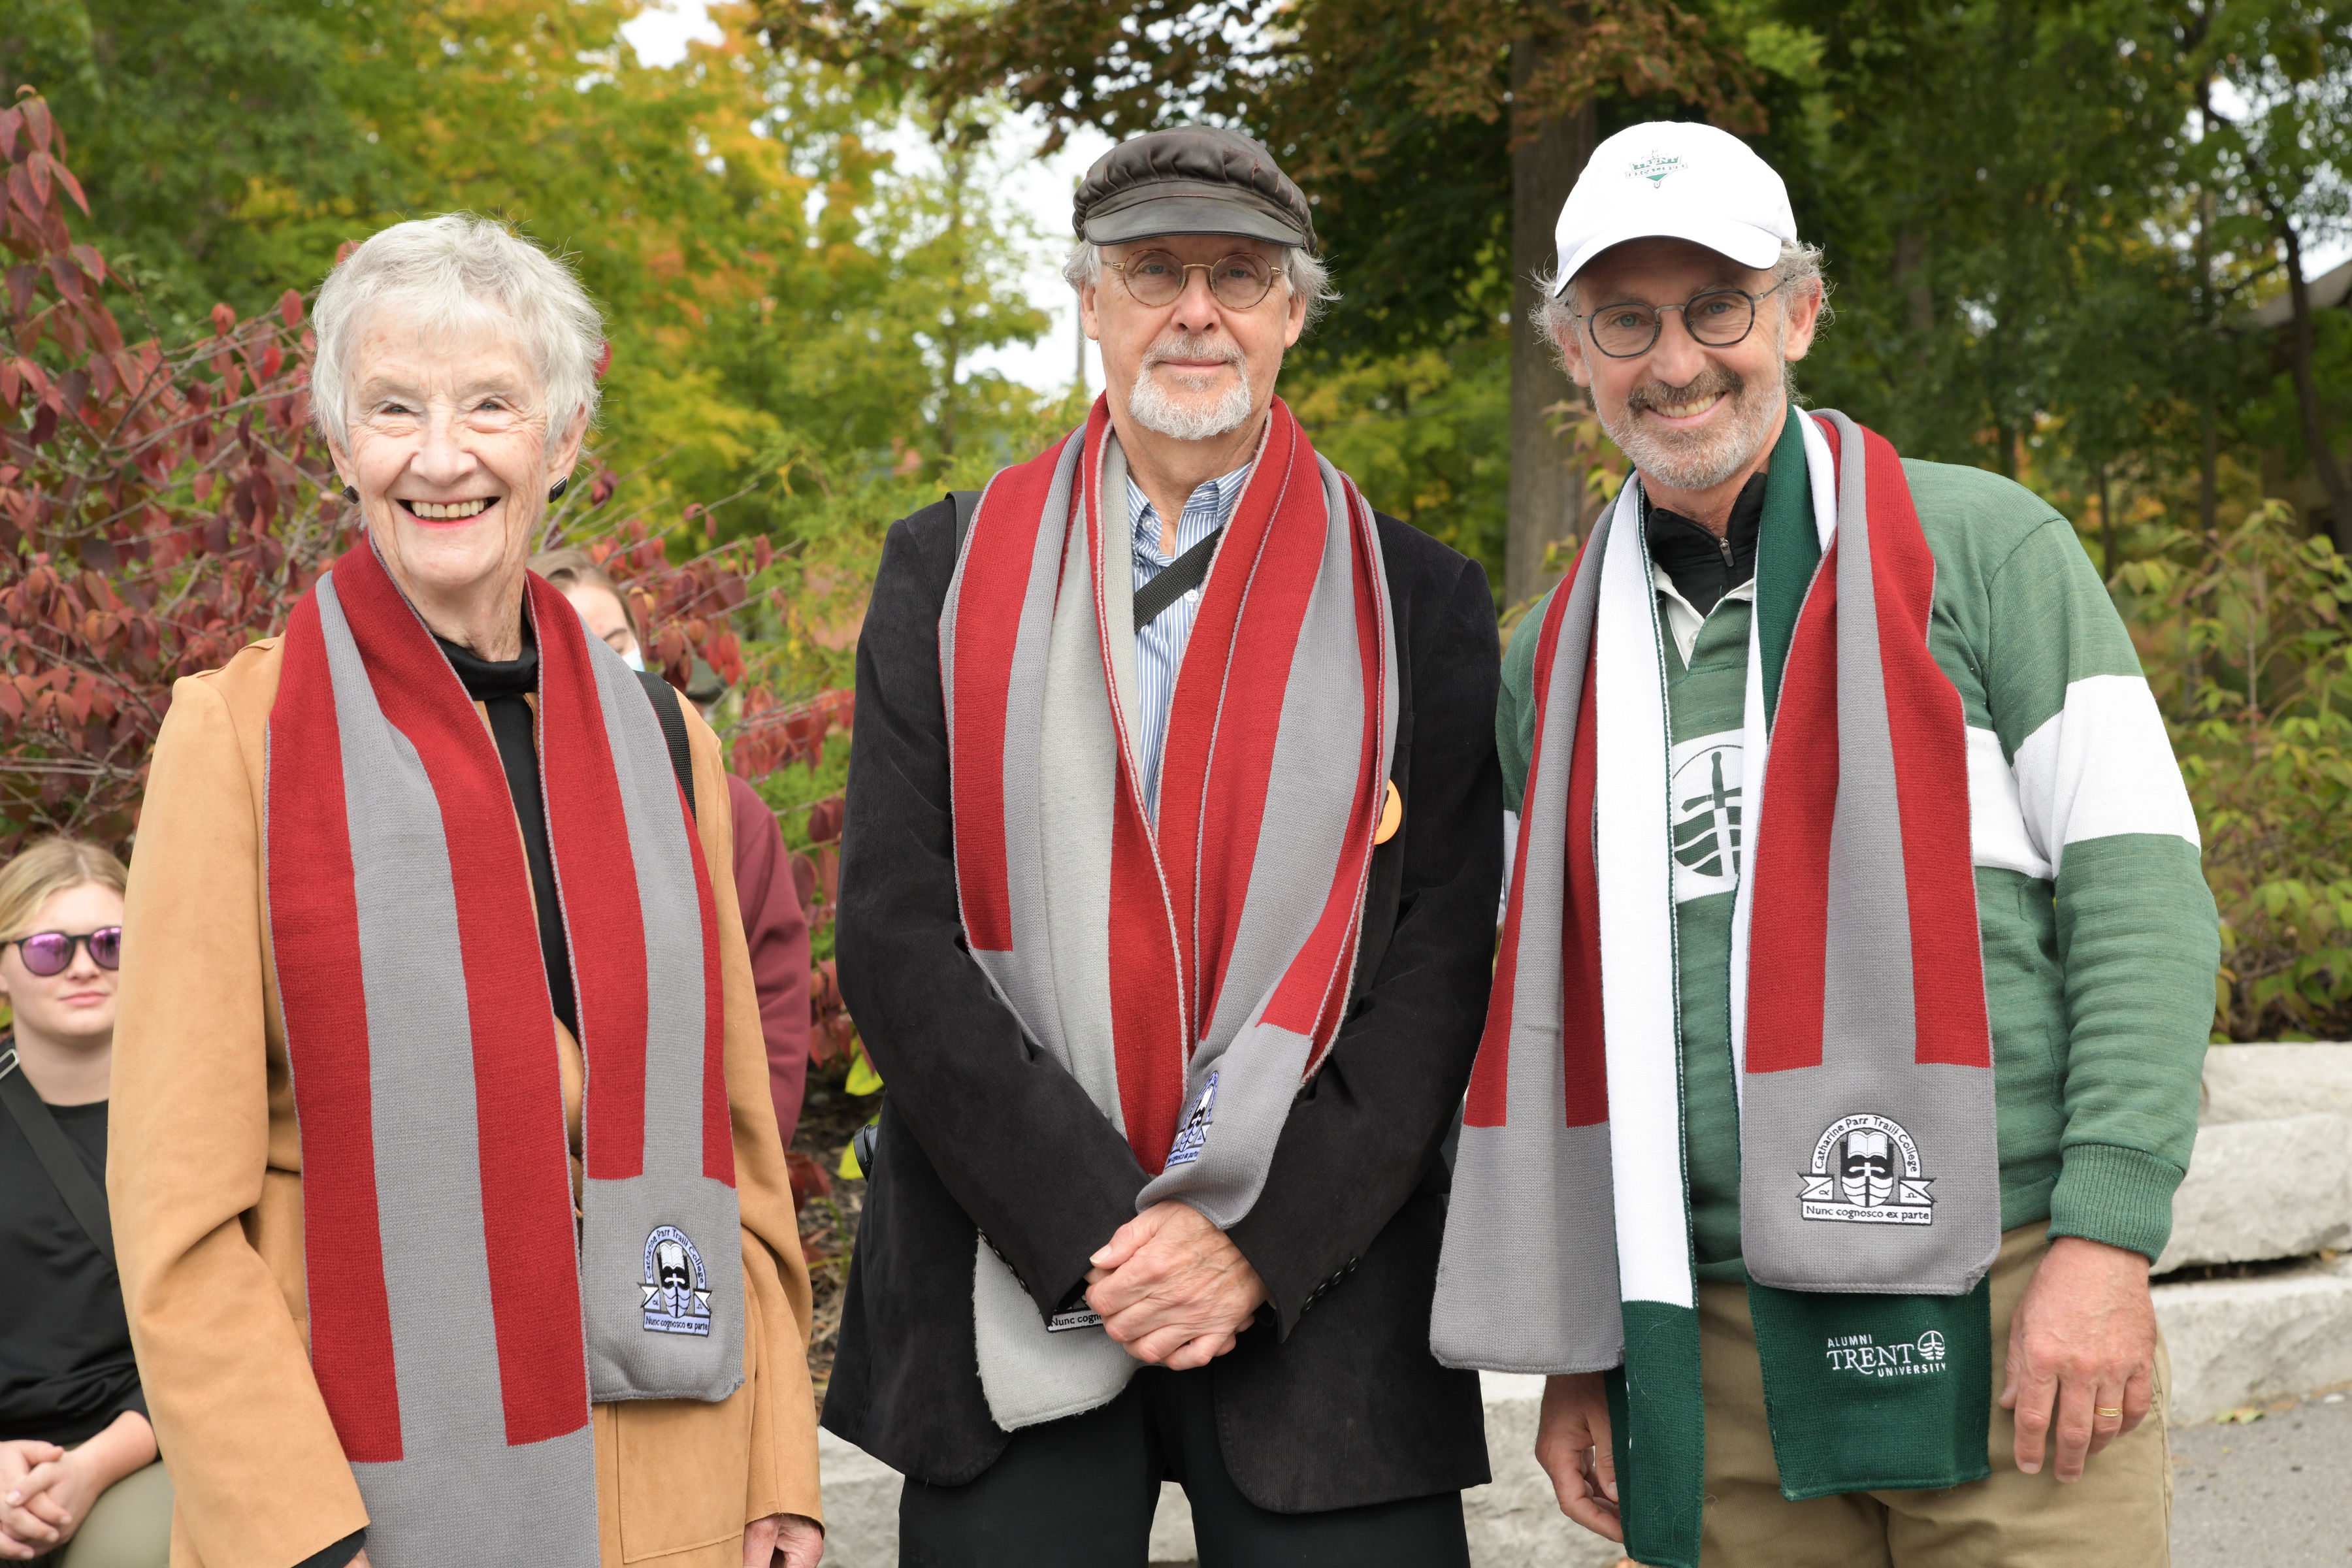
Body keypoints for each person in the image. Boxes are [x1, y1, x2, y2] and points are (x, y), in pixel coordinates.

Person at [1432, 122, 2219, 1568]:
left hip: (2008, 1308)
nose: (1676, 362)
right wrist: (1581, 1344)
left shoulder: (1983, 551)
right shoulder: (1548, 664)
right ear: (1573, 351)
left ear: (1798, 311)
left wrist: (2107, 1247)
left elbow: (2144, 906)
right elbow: (1547, 1019)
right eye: (1626, 319)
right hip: (1700, 1341)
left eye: (1717, 306)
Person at [822, 126, 1505, 1567]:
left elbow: (1443, 965)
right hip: (1012, 1269)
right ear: (1088, 298)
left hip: (1323, 1293)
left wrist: (1249, 1247)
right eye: (1153, 272)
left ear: (1293, 312)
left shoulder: (1419, 603)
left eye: (1240, 276)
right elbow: (892, 934)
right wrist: (1101, 1237)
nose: (1198, 310)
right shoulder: (943, 571)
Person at [108, 215, 824, 1568]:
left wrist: (778, 1463)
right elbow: (175, 1212)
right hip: (370, 1495)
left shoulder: (669, 740)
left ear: (559, 442)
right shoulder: (237, 740)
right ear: (339, 448)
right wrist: (297, 1534)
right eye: (394, 409)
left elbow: (739, 1150)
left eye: (490, 405)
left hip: (673, 1474)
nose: (442, 457)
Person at [536, 547, 815, 1149]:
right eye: (574, 643)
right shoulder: (501, 821)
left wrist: (750, 1173)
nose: (603, 664)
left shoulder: (730, 813)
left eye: (616, 640)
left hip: (703, 1175)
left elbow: (775, 1009)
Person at [0, 838, 168, 1567]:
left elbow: (243, 1332)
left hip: (151, 1438)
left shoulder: (206, 1111)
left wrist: (94, 1465)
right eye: (46, 948)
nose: (81, 967)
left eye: (111, 944)